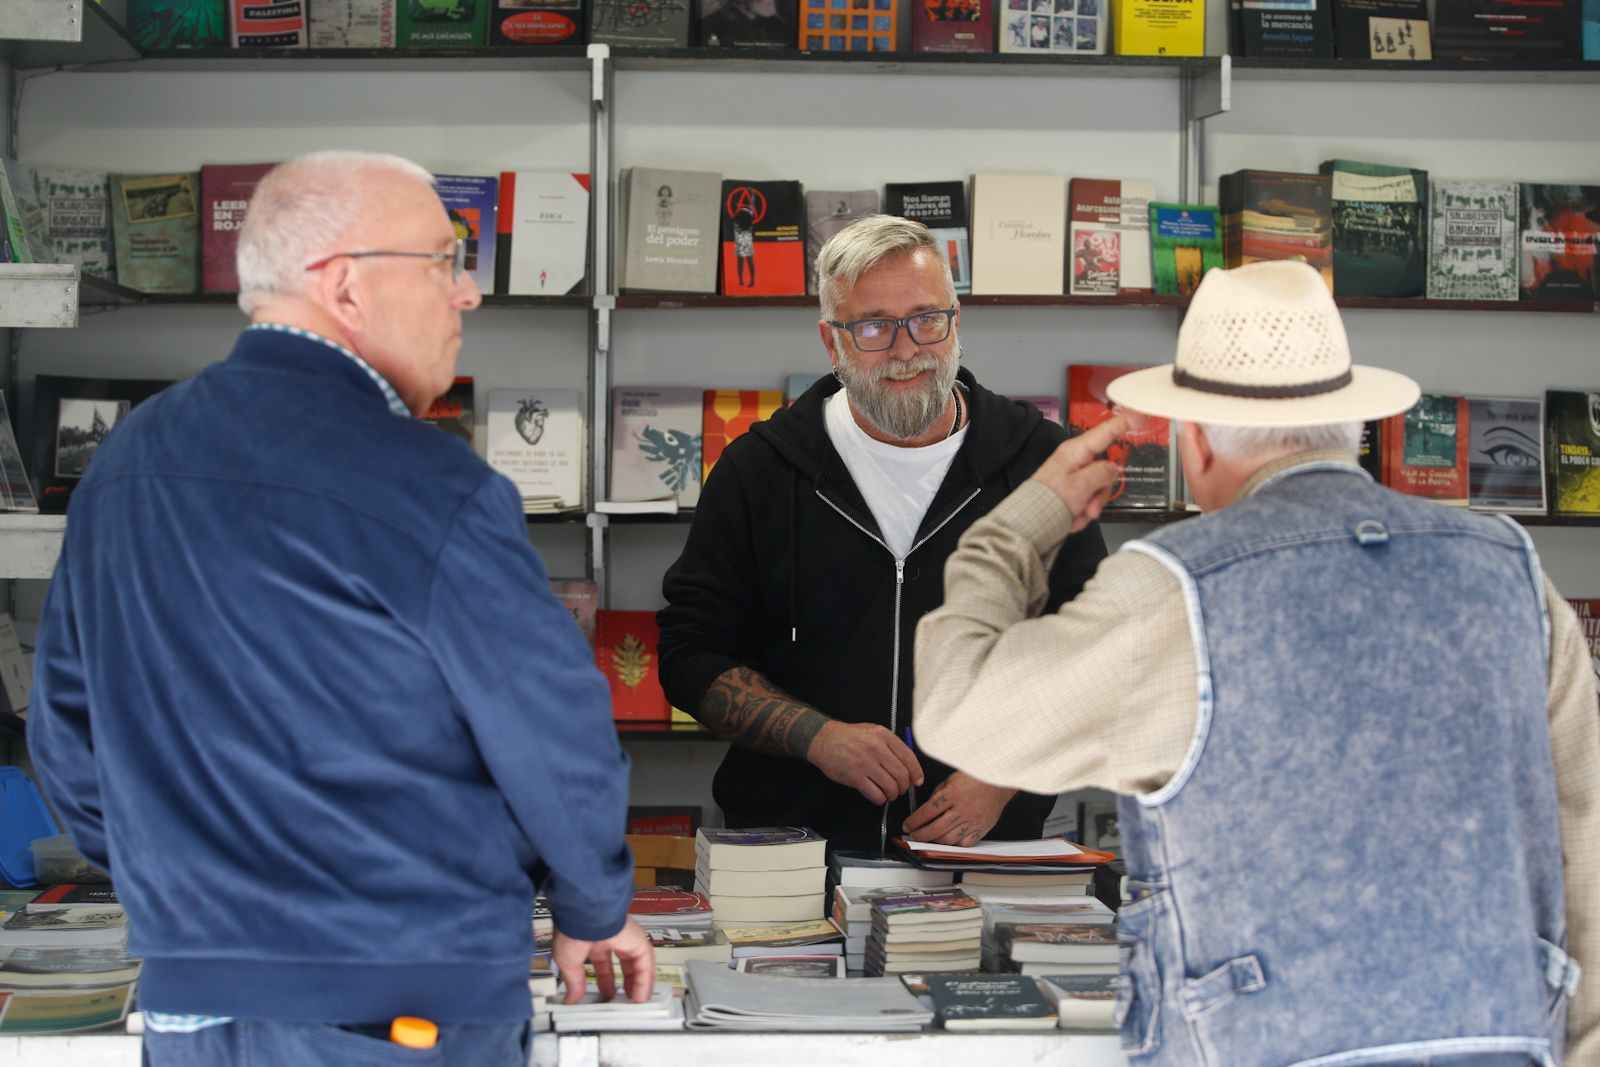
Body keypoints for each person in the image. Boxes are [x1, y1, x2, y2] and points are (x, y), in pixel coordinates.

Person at [28, 151, 652, 1066]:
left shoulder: (126, 462)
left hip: (190, 1004)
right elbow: (554, 737)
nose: (466, 294)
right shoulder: (429, 484)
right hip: (398, 1008)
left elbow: (66, 739)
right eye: (444, 262)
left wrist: (194, 896)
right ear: (345, 285)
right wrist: (593, 905)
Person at [914, 260, 1598, 1065]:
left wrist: (1027, 519)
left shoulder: (1175, 588)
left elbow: (958, 709)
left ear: (1194, 439)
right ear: (1352, 423)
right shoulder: (1512, 568)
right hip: (1503, 1036)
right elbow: (1584, 834)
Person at [657, 214, 1107, 854]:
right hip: (793, 858)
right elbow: (690, 655)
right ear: (830, 341)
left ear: (957, 319)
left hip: (983, 853)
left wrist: (1001, 778)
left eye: (927, 319)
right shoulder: (759, 470)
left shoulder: (1043, 463)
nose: (906, 350)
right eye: (872, 327)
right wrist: (816, 736)